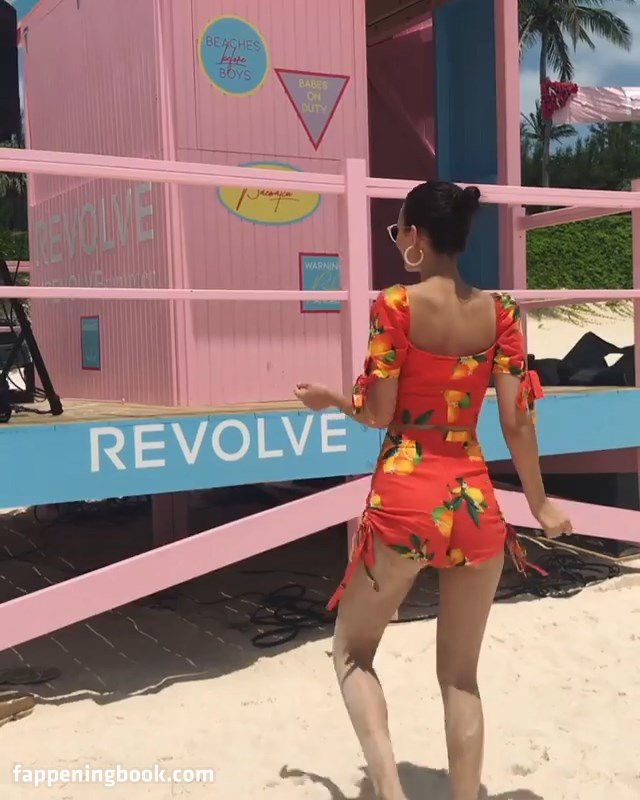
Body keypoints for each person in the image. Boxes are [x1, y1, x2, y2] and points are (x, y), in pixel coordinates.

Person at [294, 180, 573, 800]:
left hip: (404, 500)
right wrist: (540, 502)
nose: (397, 241)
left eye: (398, 231)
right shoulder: (502, 312)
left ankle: (390, 793)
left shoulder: (395, 305)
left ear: (416, 236)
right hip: (474, 502)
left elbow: (377, 412)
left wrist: (331, 399)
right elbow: (517, 421)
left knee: (353, 654)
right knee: (461, 680)